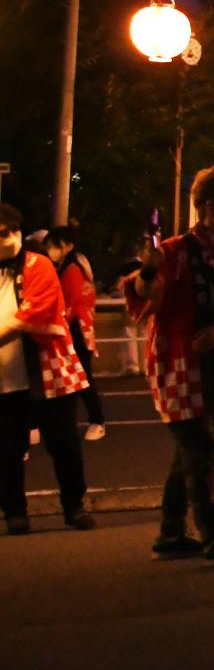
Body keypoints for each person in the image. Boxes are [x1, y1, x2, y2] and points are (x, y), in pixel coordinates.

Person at [119, 168, 214, 562]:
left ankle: (170, 532)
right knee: (202, 449)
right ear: (212, 209)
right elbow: (145, 295)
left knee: (190, 453)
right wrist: (147, 269)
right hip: (177, 365)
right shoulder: (173, 252)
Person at [0, 204, 94, 535]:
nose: (3, 240)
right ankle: (14, 512)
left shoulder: (37, 264)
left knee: (63, 442)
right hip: (6, 375)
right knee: (7, 448)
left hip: (49, 369)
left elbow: (36, 310)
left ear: (17, 232)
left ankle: (74, 506)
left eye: (6, 233)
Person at [44, 227, 105, 440]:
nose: (51, 250)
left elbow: (69, 304)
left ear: (67, 245)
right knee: (75, 379)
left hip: (75, 331)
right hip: (79, 329)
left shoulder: (71, 269)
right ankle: (77, 422)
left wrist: (57, 328)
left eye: (54, 245)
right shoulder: (77, 264)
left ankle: (97, 421)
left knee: (82, 379)